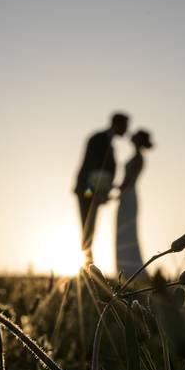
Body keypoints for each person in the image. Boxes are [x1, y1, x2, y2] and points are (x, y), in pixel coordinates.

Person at [74, 112, 129, 264]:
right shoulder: (98, 138)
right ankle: (87, 268)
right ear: (117, 124)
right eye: (125, 126)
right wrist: (94, 192)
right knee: (87, 228)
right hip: (87, 191)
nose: (126, 130)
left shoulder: (109, 142)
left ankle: (88, 267)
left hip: (94, 192)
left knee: (90, 229)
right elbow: (92, 165)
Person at [116, 130, 152, 279]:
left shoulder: (139, 158)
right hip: (126, 195)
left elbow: (129, 180)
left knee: (128, 232)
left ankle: (132, 271)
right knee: (124, 231)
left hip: (129, 195)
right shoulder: (137, 157)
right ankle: (125, 270)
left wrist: (116, 188)